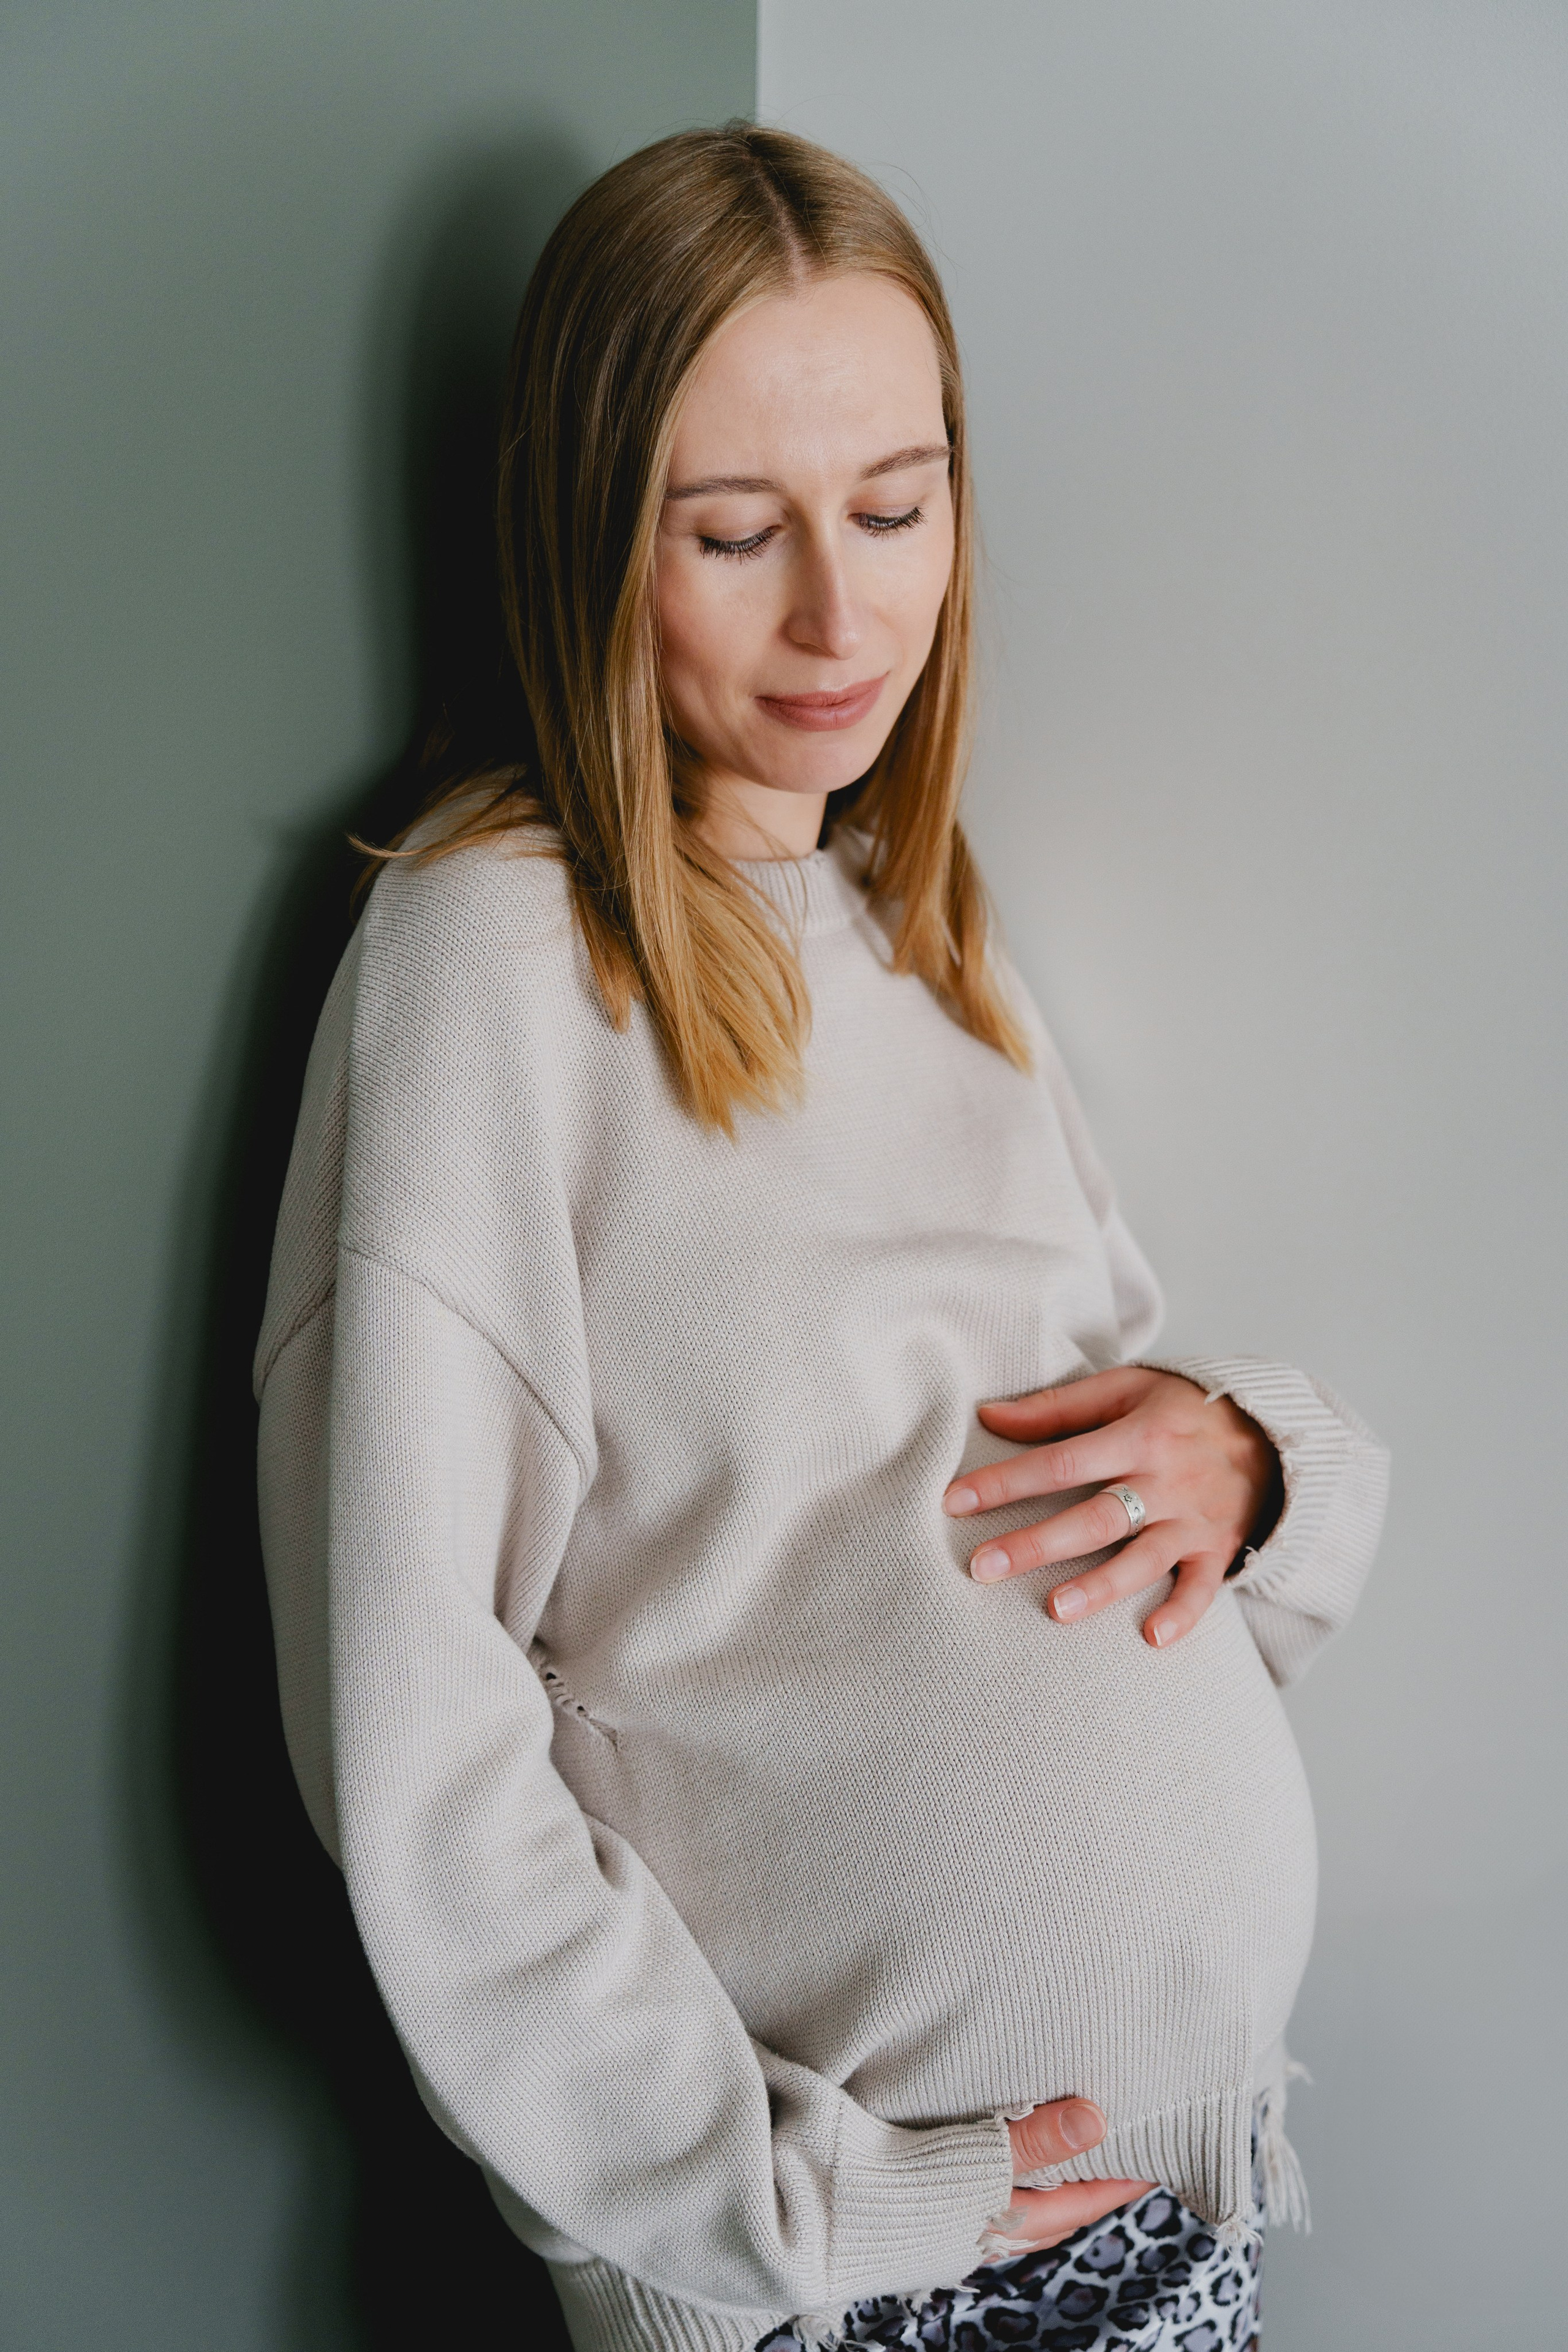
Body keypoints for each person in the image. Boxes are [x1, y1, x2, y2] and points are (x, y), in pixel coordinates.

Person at [254, 124, 1389, 2352]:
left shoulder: (927, 933)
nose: (840, 618)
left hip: (1165, 2226)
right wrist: (800, 2210)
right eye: (731, 532)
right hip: (863, 2289)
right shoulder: (490, 960)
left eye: (894, 507)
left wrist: (1263, 1466)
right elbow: (417, 1743)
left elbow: (1125, 1495)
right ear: (591, 535)